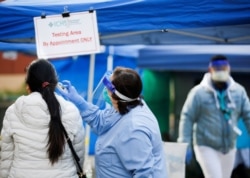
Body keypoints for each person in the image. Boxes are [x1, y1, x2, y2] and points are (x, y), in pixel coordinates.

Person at [57, 66, 168, 178]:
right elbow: (101, 122)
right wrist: (79, 101)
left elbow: (144, 174)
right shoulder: (128, 105)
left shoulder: (134, 130)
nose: (105, 91)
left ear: (116, 95)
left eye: (107, 87)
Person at [0, 59, 85, 178]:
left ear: (28, 86)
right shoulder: (71, 111)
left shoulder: (13, 111)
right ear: (54, 83)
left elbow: (6, 157)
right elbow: (78, 156)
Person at [177, 55, 250, 178]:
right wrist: (185, 144)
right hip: (205, 144)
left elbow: (248, 115)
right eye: (217, 68)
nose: (221, 70)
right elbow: (187, 117)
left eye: (224, 67)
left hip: (230, 145)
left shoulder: (238, 92)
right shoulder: (198, 93)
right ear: (210, 70)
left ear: (229, 69)